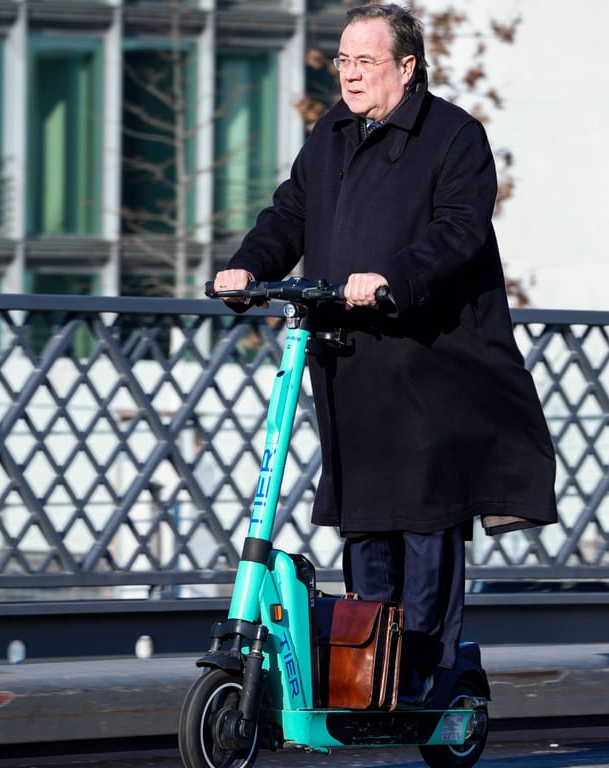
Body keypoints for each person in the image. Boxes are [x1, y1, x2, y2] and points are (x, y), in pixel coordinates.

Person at [211, 2, 557, 708]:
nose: (351, 73)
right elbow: (289, 214)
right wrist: (247, 267)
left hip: (432, 366)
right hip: (350, 362)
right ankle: (367, 674)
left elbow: (459, 232)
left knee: (427, 523)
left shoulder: (454, 137)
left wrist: (394, 278)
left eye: (365, 61)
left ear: (407, 66)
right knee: (364, 521)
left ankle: (425, 677)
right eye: (343, 60)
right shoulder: (331, 133)